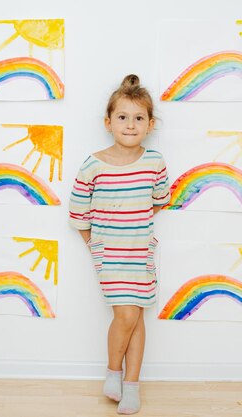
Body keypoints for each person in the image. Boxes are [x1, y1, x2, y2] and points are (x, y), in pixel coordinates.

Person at [69, 74, 170, 415]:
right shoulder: (94, 163)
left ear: (150, 124)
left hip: (140, 251)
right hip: (109, 254)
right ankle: (114, 371)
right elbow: (78, 210)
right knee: (125, 314)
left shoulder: (154, 163)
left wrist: (134, 226)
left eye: (139, 118)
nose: (131, 125)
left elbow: (159, 201)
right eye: (123, 117)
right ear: (108, 122)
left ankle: (131, 385)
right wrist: (93, 245)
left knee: (137, 317)